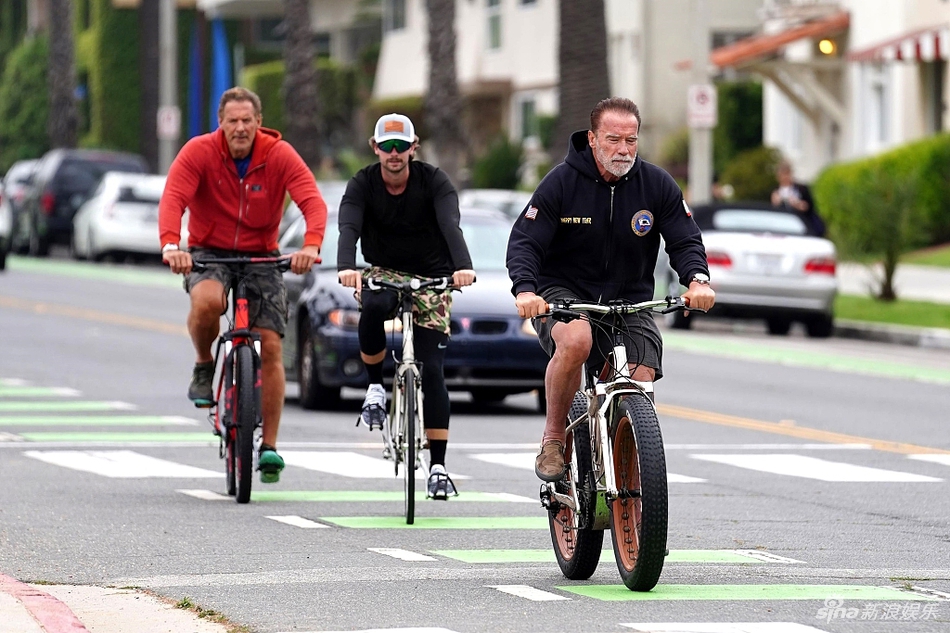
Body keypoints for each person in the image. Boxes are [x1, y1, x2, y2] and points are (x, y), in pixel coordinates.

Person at [505, 97, 716, 482]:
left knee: (640, 377)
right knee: (577, 340)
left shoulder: (656, 184)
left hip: (630, 297)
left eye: (631, 140)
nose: (623, 149)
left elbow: (685, 238)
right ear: (592, 138)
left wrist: (697, 279)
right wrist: (525, 290)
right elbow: (525, 242)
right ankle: (553, 437)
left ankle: (628, 460)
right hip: (564, 291)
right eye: (613, 139)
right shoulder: (561, 183)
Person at [159, 87, 328, 484]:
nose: (239, 128)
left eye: (247, 121)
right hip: (208, 251)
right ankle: (204, 366)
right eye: (232, 121)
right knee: (206, 302)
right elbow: (173, 198)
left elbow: (312, 203)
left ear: (258, 123)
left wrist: (310, 245)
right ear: (220, 123)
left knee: (269, 344)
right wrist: (171, 245)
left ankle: (268, 447)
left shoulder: (279, 155)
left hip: (262, 255)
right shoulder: (198, 152)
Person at [337, 113, 476, 500]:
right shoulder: (362, 183)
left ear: (414, 148)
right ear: (375, 147)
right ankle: (374, 389)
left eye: (401, 147)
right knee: (373, 305)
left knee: (432, 369)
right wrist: (347, 268)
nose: (394, 154)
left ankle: (437, 467)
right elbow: (348, 227)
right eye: (387, 146)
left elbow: (451, 224)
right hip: (384, 270)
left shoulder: (434, 181)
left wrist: (462, 267)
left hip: (433, 274)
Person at [771, 159, 825, 237]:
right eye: (782, 175)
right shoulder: (775, 192)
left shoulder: (802, 189)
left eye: (787, 174)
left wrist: (796, 204)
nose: (785, 177)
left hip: (802, 224)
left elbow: (809, 207)